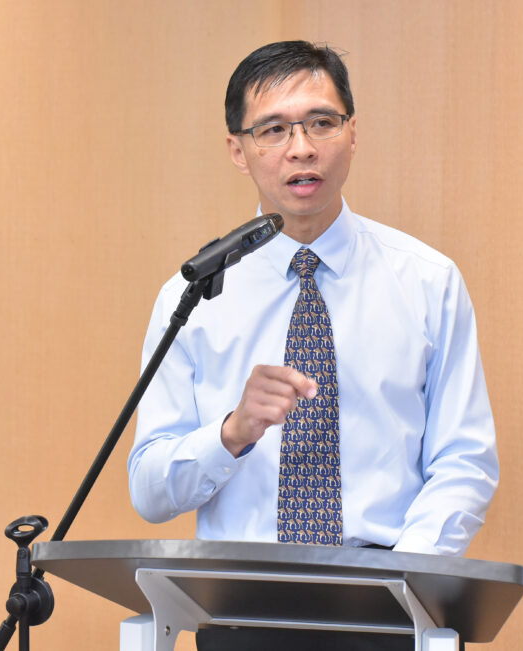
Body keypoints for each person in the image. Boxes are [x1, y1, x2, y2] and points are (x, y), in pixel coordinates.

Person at [128, 41, 498, 651]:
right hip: (241, 616)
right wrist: (232, 431)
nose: (302, 148)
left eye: (322, 122)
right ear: (238, 150)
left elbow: (465, 460)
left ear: (352, 134)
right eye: (273, 129)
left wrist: (400, 581)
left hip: (393, 608)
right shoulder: (192, 297)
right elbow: (149, 489)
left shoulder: (428, 282)